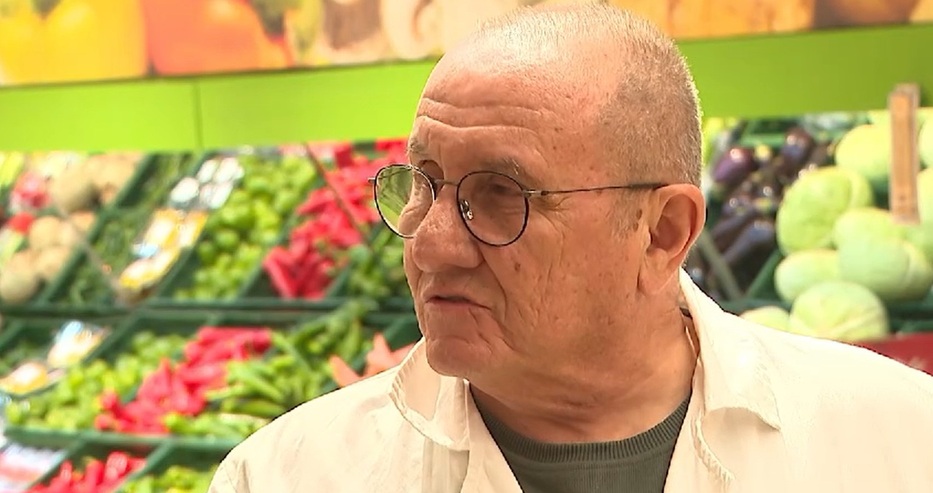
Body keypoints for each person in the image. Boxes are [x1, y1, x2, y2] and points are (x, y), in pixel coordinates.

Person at [209, 3, 933, 492]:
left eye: (501, 195)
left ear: (662, 232)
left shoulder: (895, 442)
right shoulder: (285, 476)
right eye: (422, 184)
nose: (432, 245)